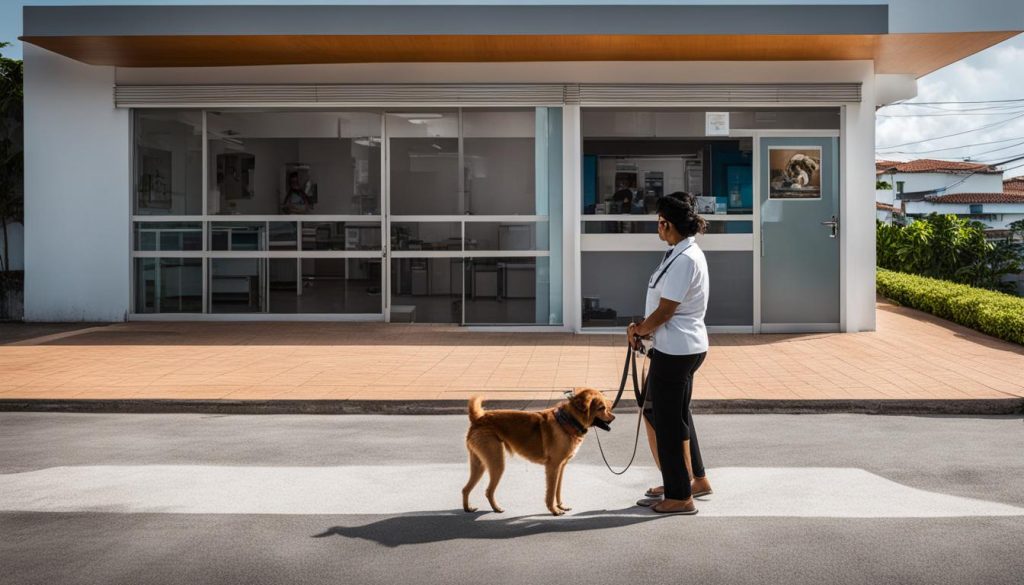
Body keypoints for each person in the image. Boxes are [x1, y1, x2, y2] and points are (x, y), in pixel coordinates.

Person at [627, 191, 711, 515]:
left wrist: (639, 330)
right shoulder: (680, 251)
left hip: (676, 350)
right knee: (675, 415)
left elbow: (666, 311)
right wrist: (643, 330)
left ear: (670, 225)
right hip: (680, 346)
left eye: (660, 223)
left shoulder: (685, 258)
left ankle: (680, 494)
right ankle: (695, 480)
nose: (658, 229)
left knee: (665, 419)